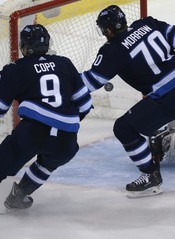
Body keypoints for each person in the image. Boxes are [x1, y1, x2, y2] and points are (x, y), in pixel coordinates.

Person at [0, 24, 93, 228]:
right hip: (67, 137)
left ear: (24, 47)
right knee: (48, 163)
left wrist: (1, 83)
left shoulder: (15, 69)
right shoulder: (65, 64)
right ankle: (18, 196)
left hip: (32, 133)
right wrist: (65, 125)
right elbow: (85, 105)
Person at [80, 5, 175, 197]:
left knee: (124, 128)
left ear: (107, 30)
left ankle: (150, 177)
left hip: (167, 97)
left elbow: (90, 82)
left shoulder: (112, 50)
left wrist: (62, 81)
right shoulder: (148, 23)